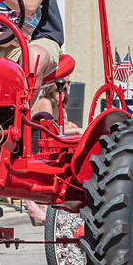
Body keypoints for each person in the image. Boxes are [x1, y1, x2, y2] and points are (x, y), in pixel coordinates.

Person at [26, 80, 80, 224]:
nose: (66, 85)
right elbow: (51, 129)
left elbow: (60, 126)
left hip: (46, 143)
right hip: (34, 143)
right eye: (63, 82)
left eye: (68, 82)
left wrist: (69, 126)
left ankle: (46, 205)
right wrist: (75, 129)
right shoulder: (46, 102)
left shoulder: (58, 104)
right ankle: (34, 206)